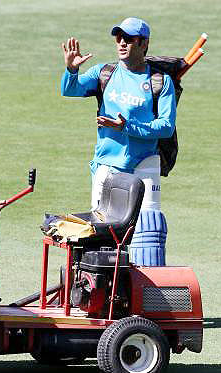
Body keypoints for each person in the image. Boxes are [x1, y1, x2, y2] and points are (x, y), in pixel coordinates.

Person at [60, 17, 176, 266]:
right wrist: (71, 70)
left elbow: (165, 127)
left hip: (145, 162)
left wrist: (127, 127)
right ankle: (107, 297)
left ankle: (146, 295)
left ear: (144, 44)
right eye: (118, 38)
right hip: (107, 163)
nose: (122, 43)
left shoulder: (160, 82)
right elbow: (70, 90)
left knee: (148, 231)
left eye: (129, 39)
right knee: (104, 231)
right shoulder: (105, 73)